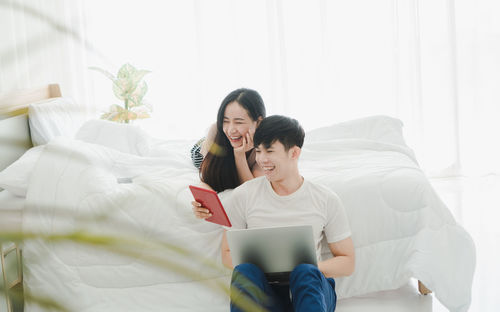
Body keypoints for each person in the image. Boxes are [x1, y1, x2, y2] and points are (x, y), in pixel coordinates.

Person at [221, 115, 355, 312]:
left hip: (311, 290)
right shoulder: (244, 195)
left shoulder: (324, 198)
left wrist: (310, 268)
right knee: (245, 271)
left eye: (269, 151)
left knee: (306, 271)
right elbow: (226, 254)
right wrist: (265, 268)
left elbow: (347, 262)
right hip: (267, 294)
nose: (261, 159)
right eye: (258, 151)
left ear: (294, 153)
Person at [191, 88, 266, 217]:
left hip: (237, 146)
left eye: (238, 122)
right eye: (225, 121)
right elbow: (206, 176)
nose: (231, 129)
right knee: (199, 158)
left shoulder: (265, 145)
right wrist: (202, 204)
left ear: (258, 122)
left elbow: (252, 191)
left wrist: (239, 155)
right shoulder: (218, 131)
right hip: (206, 147)